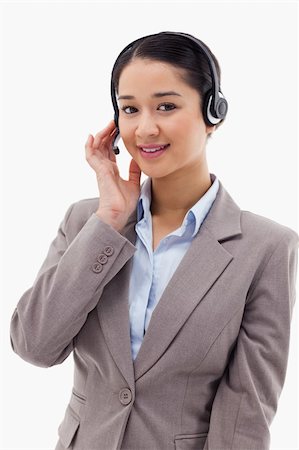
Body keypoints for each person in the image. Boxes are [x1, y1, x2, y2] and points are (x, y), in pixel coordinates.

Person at [10, 31, 298, 450]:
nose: (145, 128)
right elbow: (35, 346)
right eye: (129, 109)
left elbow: (244, 419)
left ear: (212, 112)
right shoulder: (86, 222)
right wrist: (108, 222)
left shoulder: (267, 249)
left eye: (166, 105)